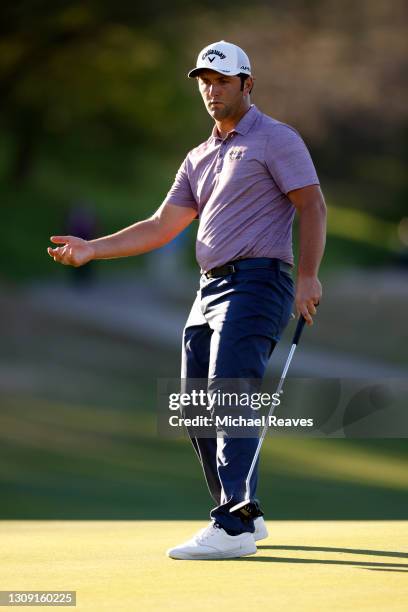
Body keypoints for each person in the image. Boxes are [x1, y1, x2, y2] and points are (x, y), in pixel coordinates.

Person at [47, 40, 326, 560]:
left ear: (247, 84)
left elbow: (312, 205)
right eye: (204, 81)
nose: (211, 90)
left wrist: (308, 275)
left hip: (259, 280)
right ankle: (243, 512)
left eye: (223, 81)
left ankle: (233, 525)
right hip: (209, 289)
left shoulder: (275, 139)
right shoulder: (198, 157)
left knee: (229, 388)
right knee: (196, 403)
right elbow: (161, 226)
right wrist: (92, 249)